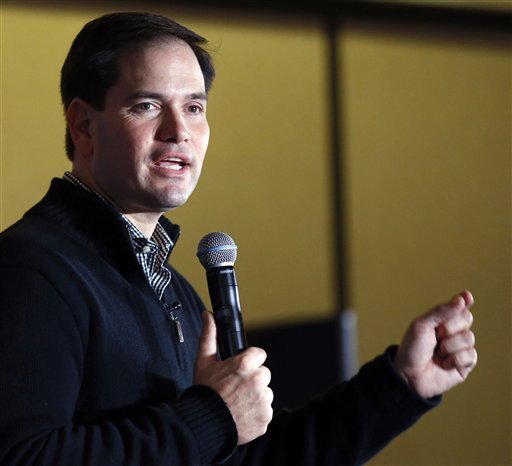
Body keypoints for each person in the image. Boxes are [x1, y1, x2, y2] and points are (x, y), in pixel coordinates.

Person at [0, 12, 477, 466]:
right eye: (147, 106)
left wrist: (400, 384)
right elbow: (25, 456)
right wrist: (213, 416)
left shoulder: (172, 291)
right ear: (83, 126)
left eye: (194, 107)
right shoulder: (32, 270)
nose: (178, 132)